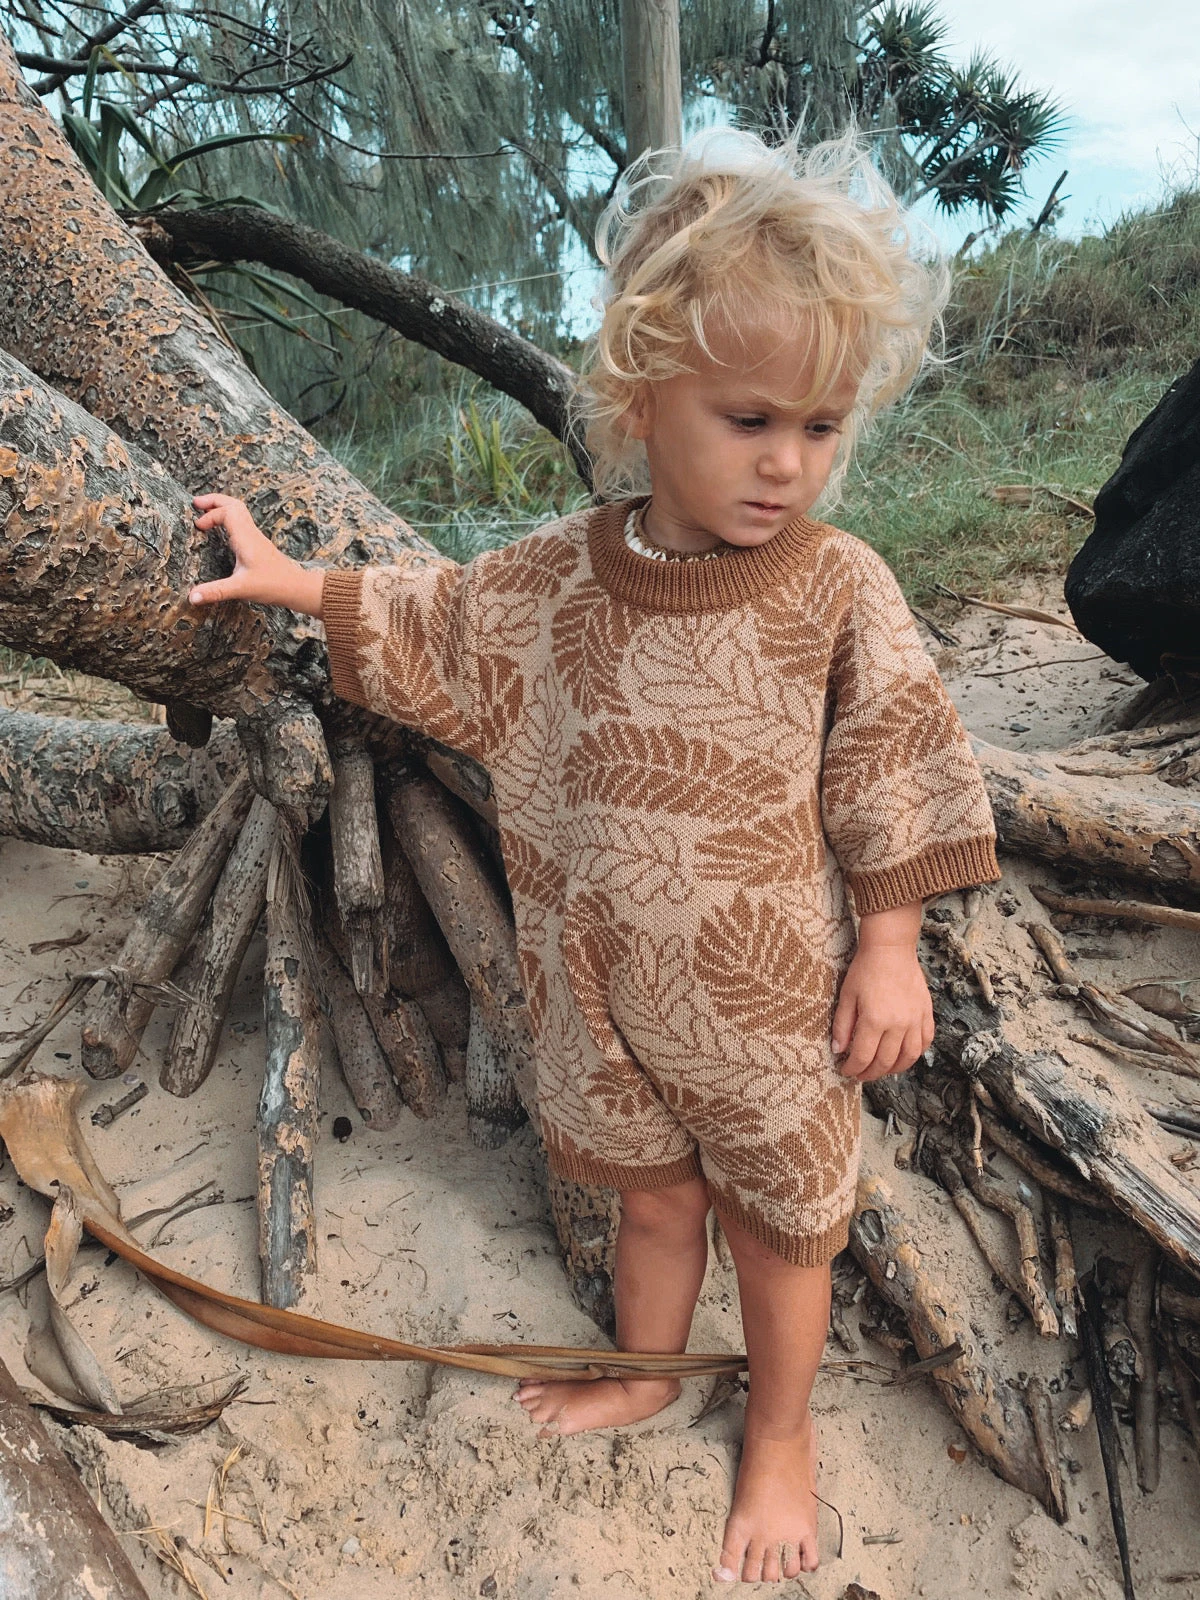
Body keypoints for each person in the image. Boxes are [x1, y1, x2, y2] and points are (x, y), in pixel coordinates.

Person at [187, 127, 1001, 1585]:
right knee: (651, 1199)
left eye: (822, 428)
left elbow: (893, 757)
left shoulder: (835, 586)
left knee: (781, 1224)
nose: (788, 461)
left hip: (769, 1009)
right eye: (749, 418)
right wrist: (291, 580)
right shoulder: (561, 576)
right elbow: (441, 621)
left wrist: (891, 947)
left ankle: (782, 1433)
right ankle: (646, 1372)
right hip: (599, 989)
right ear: (641, 394)